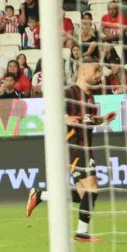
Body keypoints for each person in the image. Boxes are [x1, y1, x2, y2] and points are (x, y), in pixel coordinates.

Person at [27, 63, 117, 242]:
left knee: (84, 194)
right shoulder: (70, 93)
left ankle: (41, 195)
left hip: (84, 148)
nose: (99, 75)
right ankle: (81, 233)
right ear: (84, 72)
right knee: (92, 189)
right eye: (96, 71)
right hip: (73, 146)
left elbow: (88, 120)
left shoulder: (91, 98)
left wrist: (103, 119)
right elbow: (48, 112)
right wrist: (65, 117)